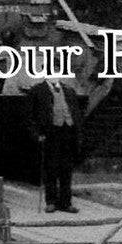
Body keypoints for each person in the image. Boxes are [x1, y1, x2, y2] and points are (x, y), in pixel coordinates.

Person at [25, 77, 86, 213]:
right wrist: (37, 134)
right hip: (50, 132)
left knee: (66, 169)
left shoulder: (68, 90)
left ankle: (66, 202)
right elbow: (29, 116)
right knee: (51, 168)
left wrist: (77, 130)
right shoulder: (37, 91)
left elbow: (76, 111)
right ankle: (51, 201)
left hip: (68, 131)